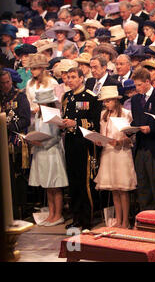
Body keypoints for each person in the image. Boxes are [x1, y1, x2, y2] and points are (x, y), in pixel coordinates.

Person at [61, 67, 102, 230]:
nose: (69, 80)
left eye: (72, 77)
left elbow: (95, 123)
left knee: (85, 182)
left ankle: (87, 219)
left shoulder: (91, 97)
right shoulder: (66, 96)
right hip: (70, 141)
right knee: (73, 181)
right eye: (67, 77)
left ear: (81, 78)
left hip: (84, 143)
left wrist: (76, 123)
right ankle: (76, 216)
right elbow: (64, 115)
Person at [94, 86, 137, 228]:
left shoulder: (126, 114)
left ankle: (125, 221)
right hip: (108, 153)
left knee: (122, 189)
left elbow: (132, 137)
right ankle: (118, 220)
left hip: (122, 154)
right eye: (104, 101)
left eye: (109, 101)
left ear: (115, 100)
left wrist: (120, 141)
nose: (106, 104)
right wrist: (99, 140)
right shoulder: (103, 115)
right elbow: (103, 134)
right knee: (114, 189)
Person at [130, 68, 155, 211]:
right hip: (140, 147)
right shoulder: (135, 99)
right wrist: (128, 129)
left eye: (139, 85)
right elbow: (136, 121)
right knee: (142, 184)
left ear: (148, 82)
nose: (137, 88)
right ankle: (144, 217)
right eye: (136, 85)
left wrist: (151, 128)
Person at [28, 89, 68, 226]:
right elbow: (36, 130)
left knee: (55, 185)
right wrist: (32, 139)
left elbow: (56, 136)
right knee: (47, 185)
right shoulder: (39, 115)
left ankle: (58, 214)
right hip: (41, 153)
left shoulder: (54, 114)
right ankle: (51, 213)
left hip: (52, 152)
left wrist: (43, 143)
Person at [0, 69, 31, 219]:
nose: (6, 85)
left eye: (8, 82)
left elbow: (26, 119)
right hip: (1, 141)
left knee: (18, 176)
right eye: (3, 83)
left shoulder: (20, 96)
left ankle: (20, 210)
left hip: (15, 141)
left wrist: (8, 128)